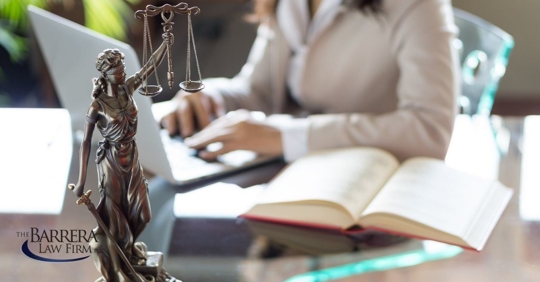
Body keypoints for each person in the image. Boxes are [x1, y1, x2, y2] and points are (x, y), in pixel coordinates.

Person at [162, 0, 460, 163]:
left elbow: (430, 130)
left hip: (368, 189)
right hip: (289, 179)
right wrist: (210, 95)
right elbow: (258, 91)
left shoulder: (419, 6)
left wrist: (286, 135)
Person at [70, 36, 176, 281]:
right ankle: (123, 265)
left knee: (143, 214)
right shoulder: (96, 106)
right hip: (111, 162)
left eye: (123, 70)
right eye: (117, 72)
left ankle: (128, 254)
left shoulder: (128, 88)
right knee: (117, 222)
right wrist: (81, 182)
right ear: (106, 74)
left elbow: (149, 66)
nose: (122, 74)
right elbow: (85, 142)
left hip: (132, 157)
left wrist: (166, 43)